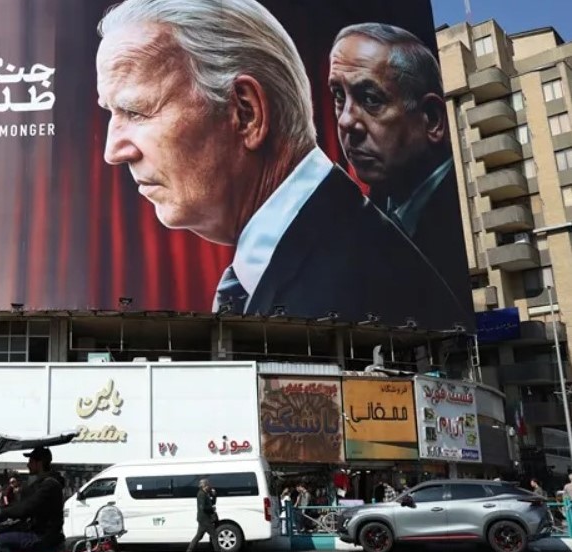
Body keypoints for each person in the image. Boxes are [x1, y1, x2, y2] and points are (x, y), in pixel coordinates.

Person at [95, 0, 467, 329]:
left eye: (135, 111)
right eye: (111, 113)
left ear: (246, 113)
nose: (114, 150)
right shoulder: (327, 245)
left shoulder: (359, 282)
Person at [328, 23, 468, 308]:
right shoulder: (362, 217)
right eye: (339, 96)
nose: (345, 121)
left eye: (370, 99)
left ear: (431, 119)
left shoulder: (456, 221)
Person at [185, 479, 226, 552]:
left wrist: (214, 495)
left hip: (203, 519)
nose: (209, 487)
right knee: (214, 535)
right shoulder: (201, 494)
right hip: (205, 519)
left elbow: (212, 503)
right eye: (208, 485)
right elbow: (203, 507)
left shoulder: (205, 493)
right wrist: (211, 509)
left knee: (198, 536)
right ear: (204, 486)